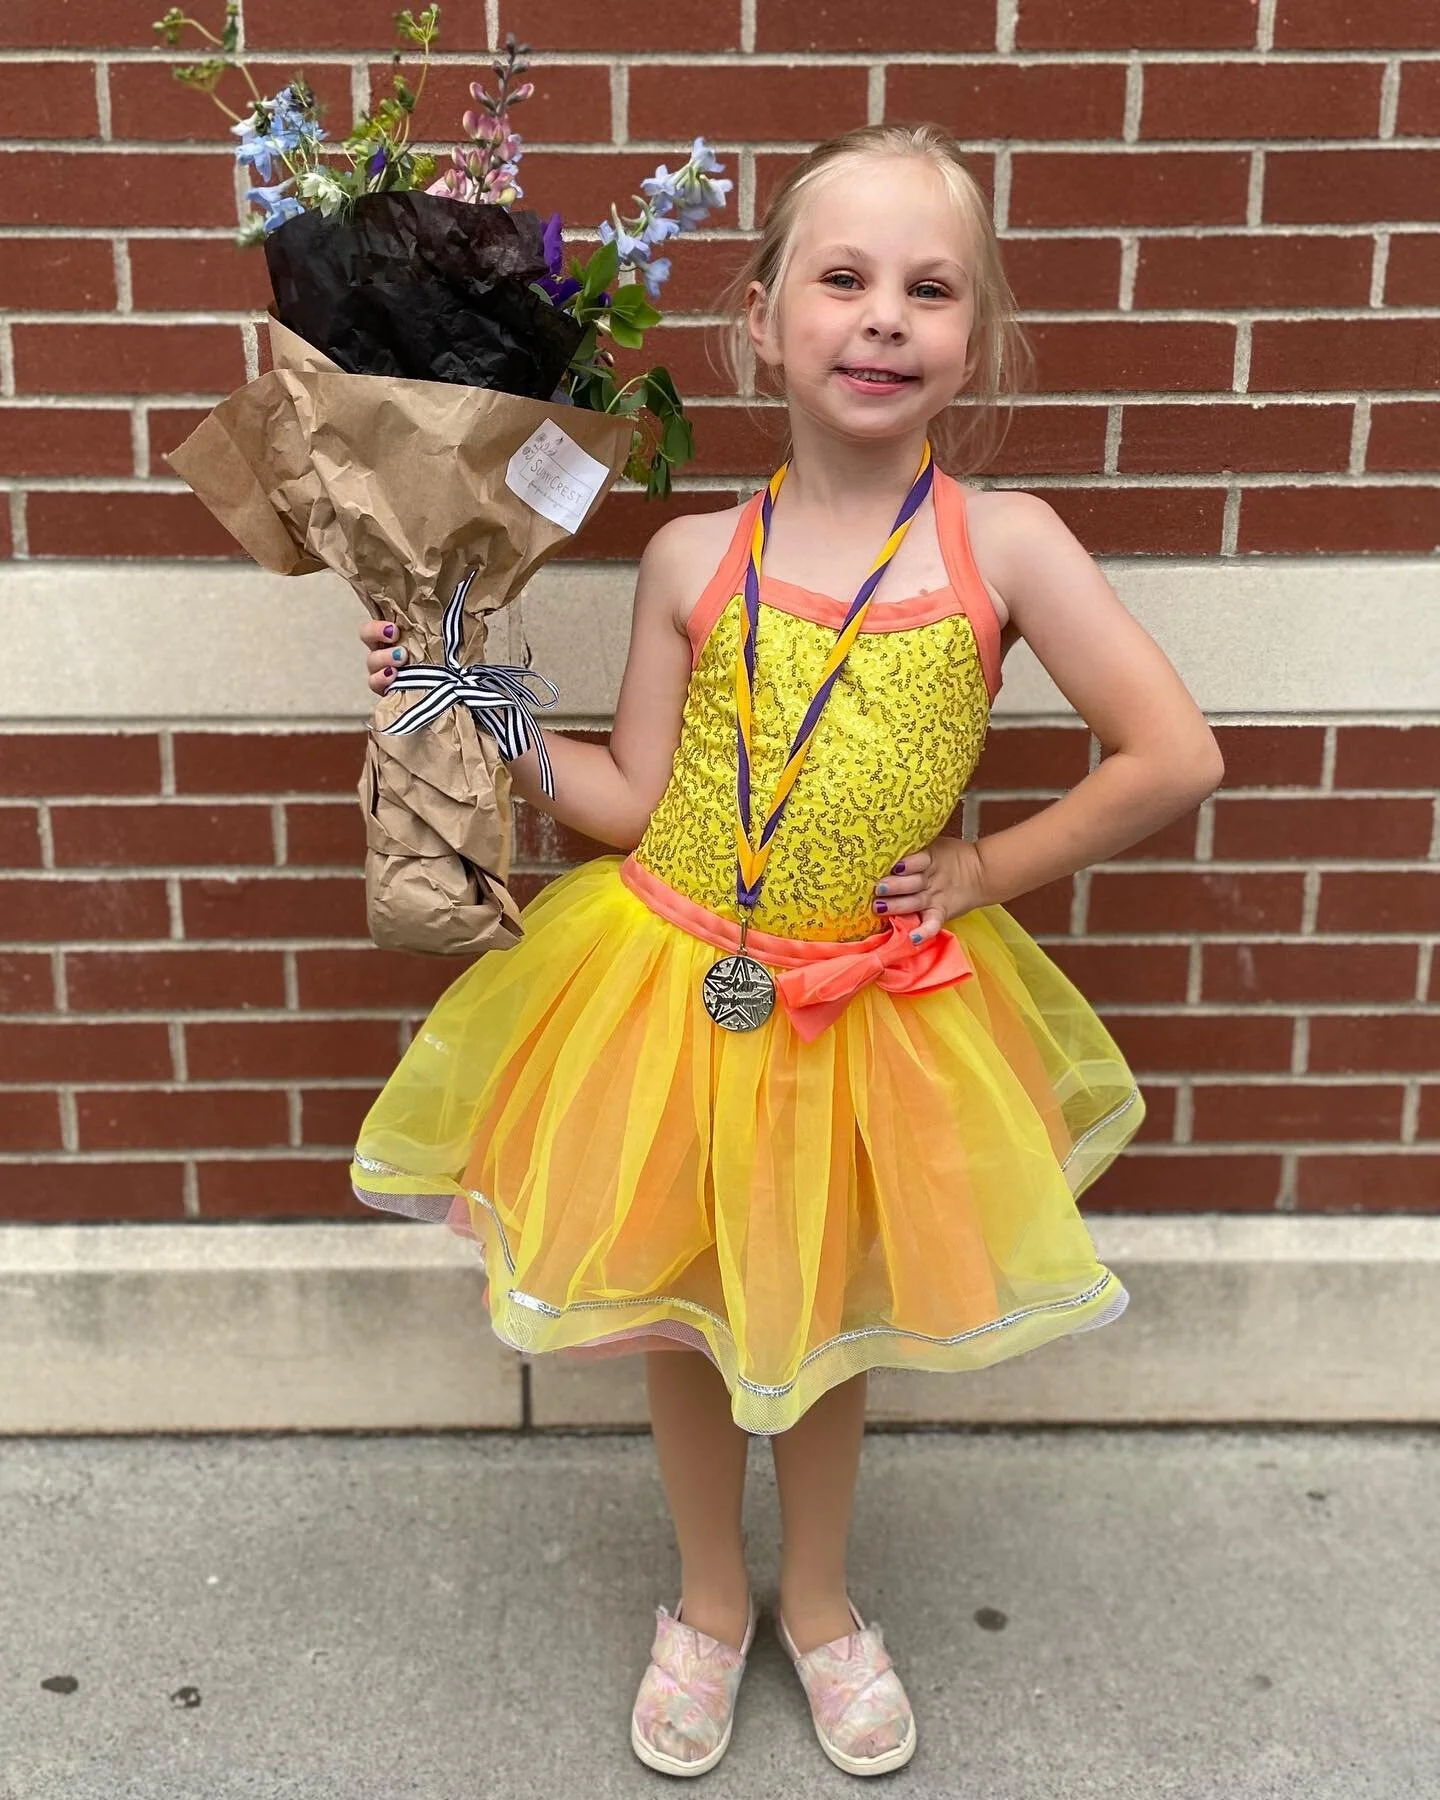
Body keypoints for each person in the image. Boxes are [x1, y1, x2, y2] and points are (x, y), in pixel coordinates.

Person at [349, 121, 1224, 1780]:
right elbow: (622, 800)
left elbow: (1172, 754)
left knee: (819, 1324)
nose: (884, 316)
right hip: (671, 983)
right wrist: (477, 699)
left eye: (930, 288)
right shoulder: (695, 556)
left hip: (862, 1011)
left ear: (975, 337)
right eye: (843, 278)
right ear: (761, 319)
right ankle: (707, 1600)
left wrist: (980, 869)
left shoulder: (1004, 543)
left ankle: (817, 1602)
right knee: (682, 1312)